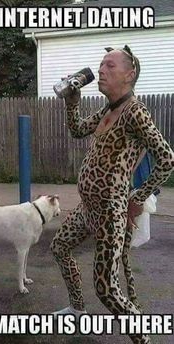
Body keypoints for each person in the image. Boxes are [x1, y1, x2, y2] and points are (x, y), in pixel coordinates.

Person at [50, 45, 174, 344]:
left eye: (109, 65)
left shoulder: (135, 112)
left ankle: (142, 339)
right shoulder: (108, 108)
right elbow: (78, 130)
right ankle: (78, 308)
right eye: (101, 65)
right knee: (59, 247)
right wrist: (71, 103)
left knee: (106, 288)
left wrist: (138, 197)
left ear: (129, 75)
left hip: (110, 213)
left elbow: (167, 158)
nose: (101, 71)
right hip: (87, 208)